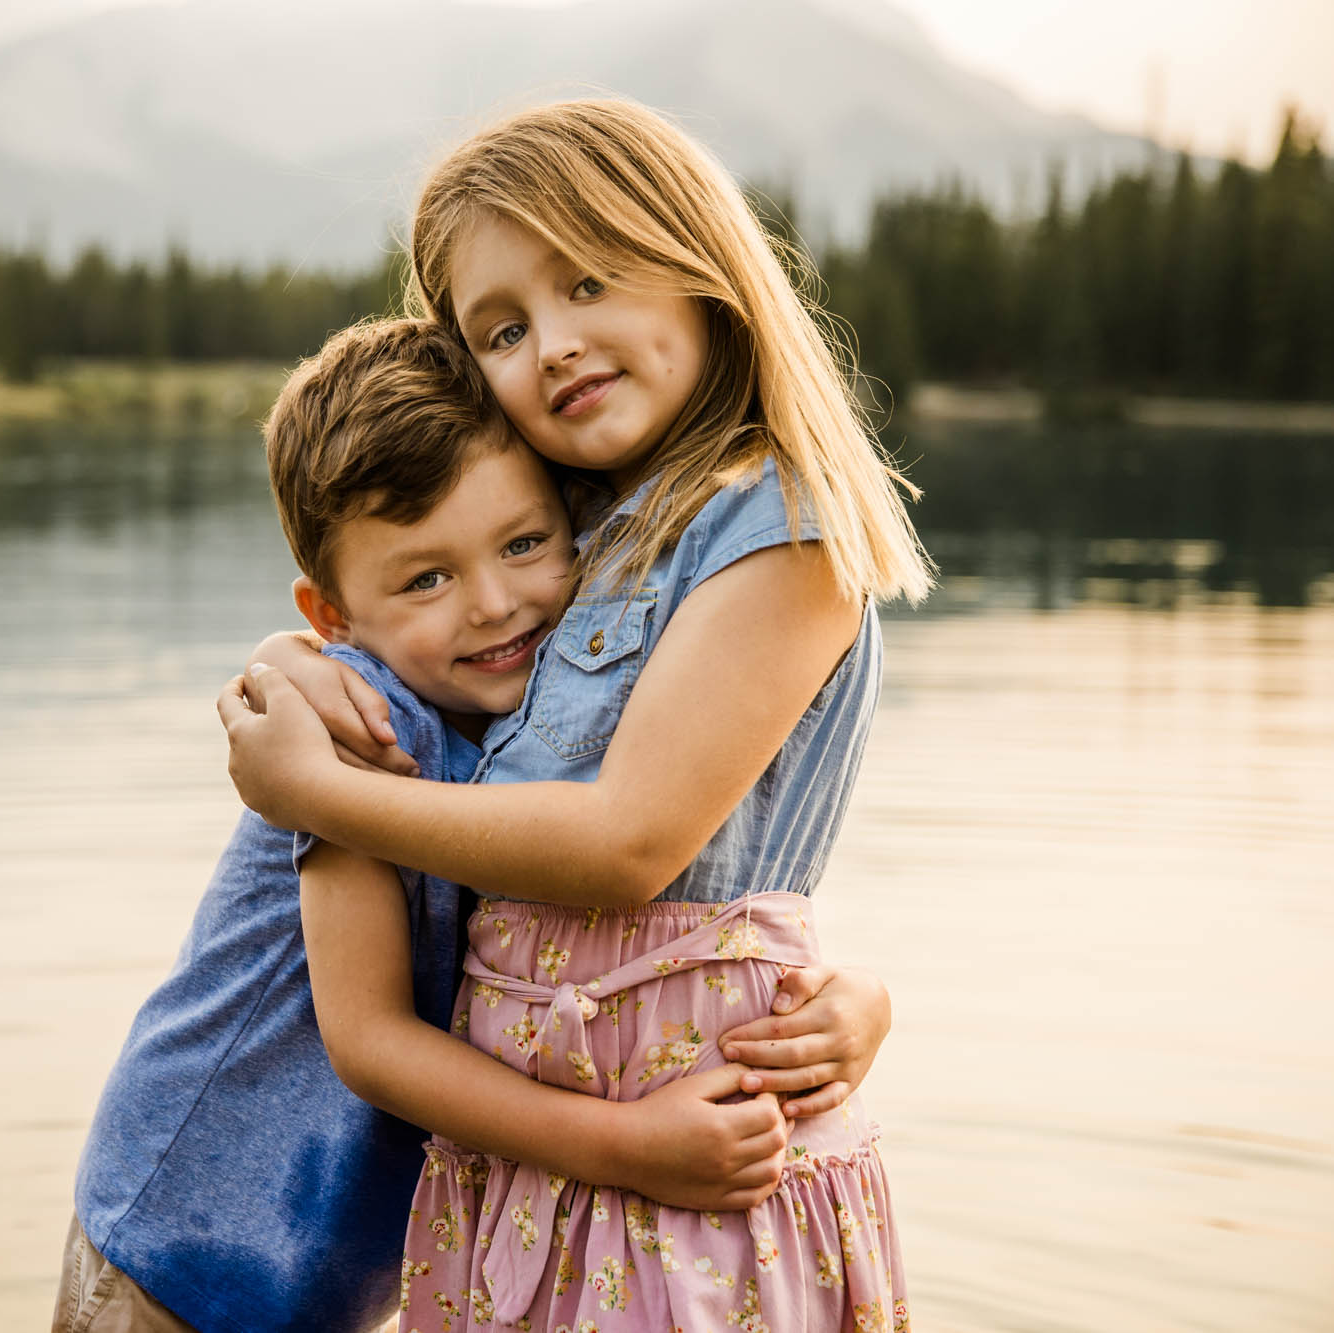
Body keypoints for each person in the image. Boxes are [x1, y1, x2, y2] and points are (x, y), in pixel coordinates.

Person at [218, 98, 931, 1331]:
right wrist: (299, 661)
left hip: (687, 1177)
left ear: (701, 268)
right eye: (502, 328)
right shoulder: (574, 537)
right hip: (534, 1175)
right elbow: (415, 618)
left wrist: (318, 793)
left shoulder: (781, 526)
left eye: (589, 280)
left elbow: (634, 845)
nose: (551, 344)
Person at [56, 317, 895, 1333]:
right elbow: (367, 1039)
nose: (494, 604)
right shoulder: (353, 730)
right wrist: (626, 1147)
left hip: (338, 1259)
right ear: (330, 616)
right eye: (425, 578)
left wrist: (849, 999)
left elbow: (713, 878)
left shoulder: (558, 696)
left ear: (574, 526)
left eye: (523, 543)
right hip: (189, 1242)